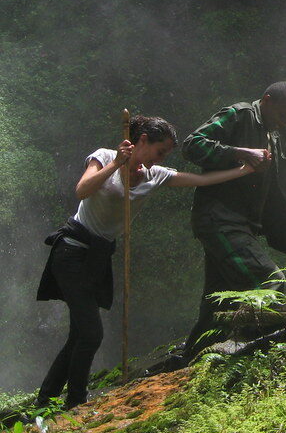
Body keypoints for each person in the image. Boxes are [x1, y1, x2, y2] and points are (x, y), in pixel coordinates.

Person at [35, 115, 265, 410]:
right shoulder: (105, 157)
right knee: (92, 333)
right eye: (161, 151)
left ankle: (45, 401)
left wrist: (244, 170)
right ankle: (75, 403)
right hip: (72, 251)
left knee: (80, 334)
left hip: (97, 258)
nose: (162, 158)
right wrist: (117, 163)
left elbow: (201, 179)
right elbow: (82, 190)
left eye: (166, 154)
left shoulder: (155, 174)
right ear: (142, 140)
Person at [182, 46, 286, 359]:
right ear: (267, 102)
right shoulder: (239, 116)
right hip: (219, 220)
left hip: (243, 226)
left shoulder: (283, 131)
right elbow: (193, 144)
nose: (284, 122)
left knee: (217, 302)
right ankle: (258, 355)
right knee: (270, 281)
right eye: (281, 115)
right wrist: (241, 153)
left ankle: (189, 360)